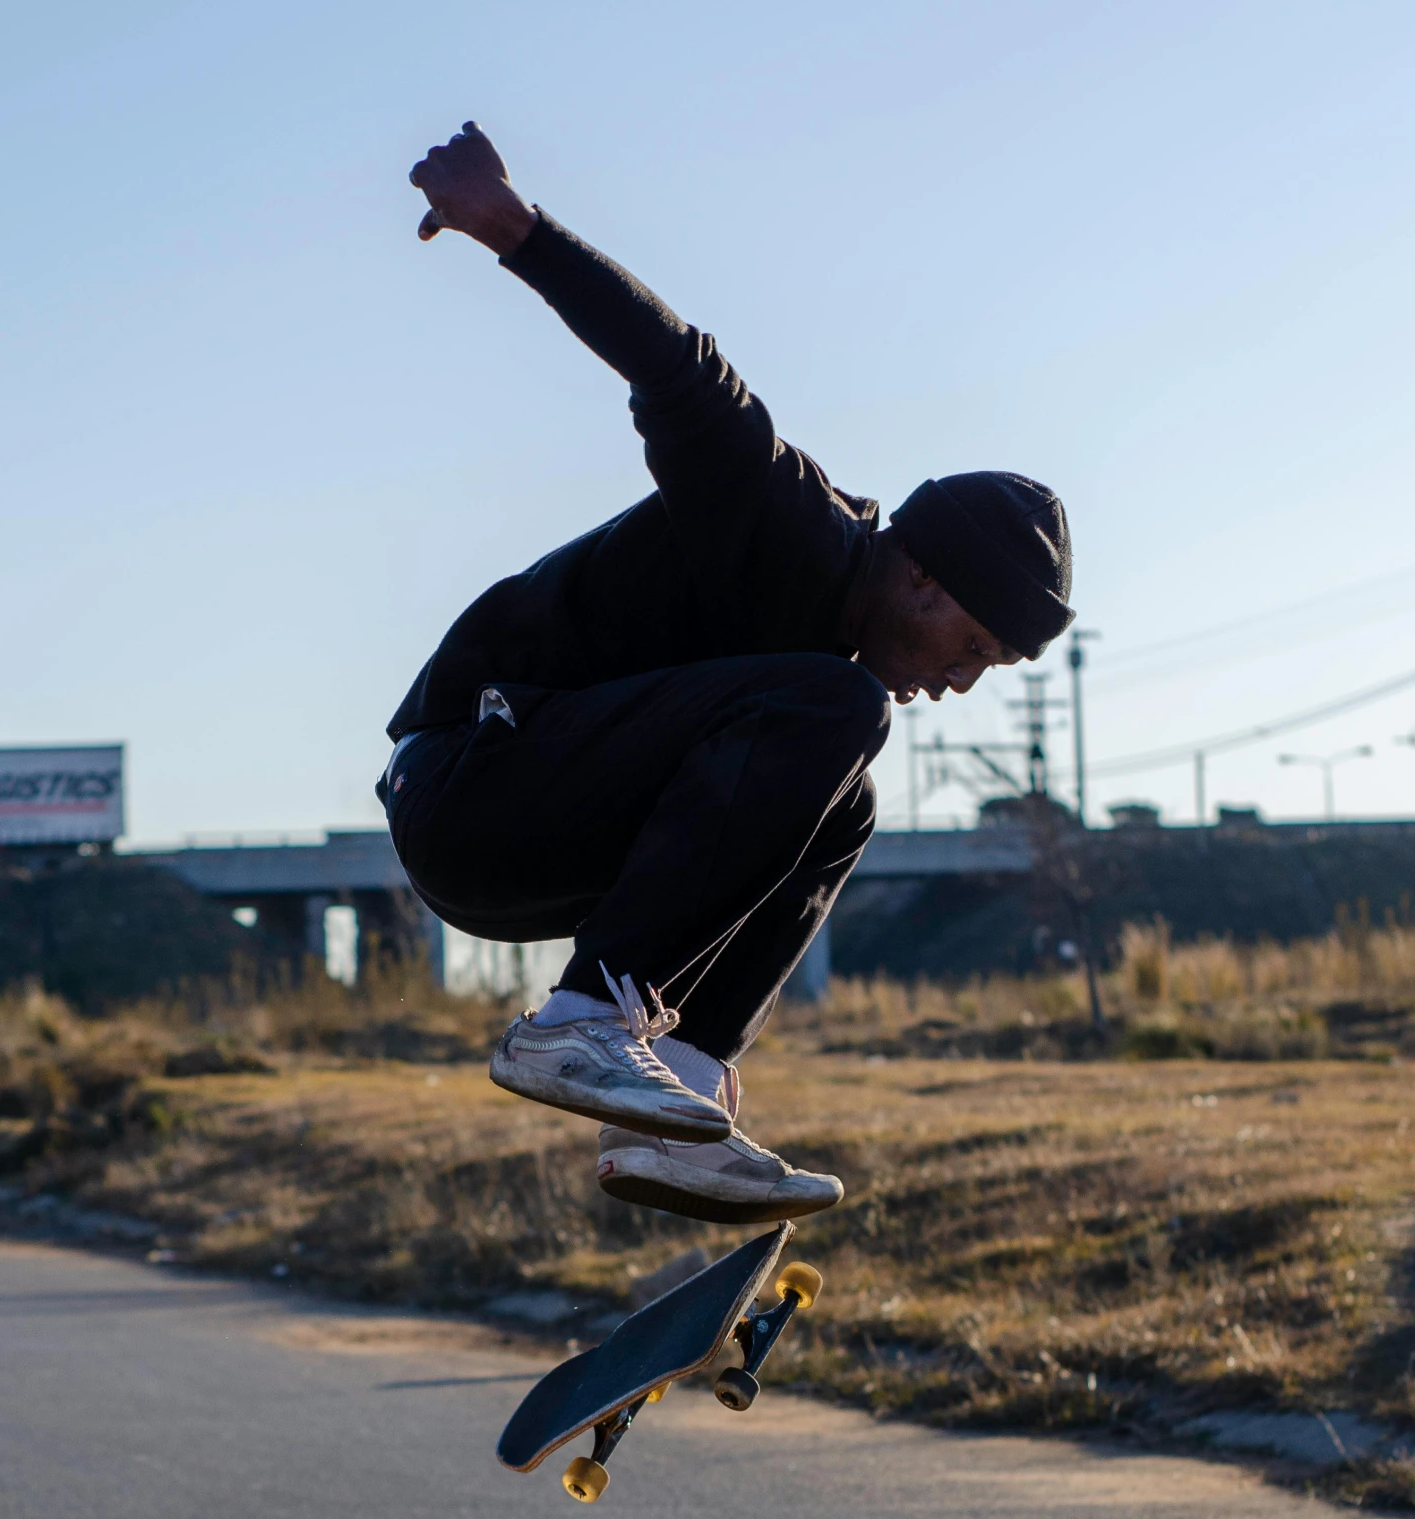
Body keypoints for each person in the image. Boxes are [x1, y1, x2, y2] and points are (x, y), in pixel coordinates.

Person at [381, 124, 1074, 1224]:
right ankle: (579, 1025)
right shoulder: (783, 517)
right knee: (835, 710)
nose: (960, 685)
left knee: (845, 799)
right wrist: (513, 226)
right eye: (974, 653)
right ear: (926, 580)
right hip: (471, 782)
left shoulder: (819, 687)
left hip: (548, 835)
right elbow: (678, 369)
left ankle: (677, 1101)